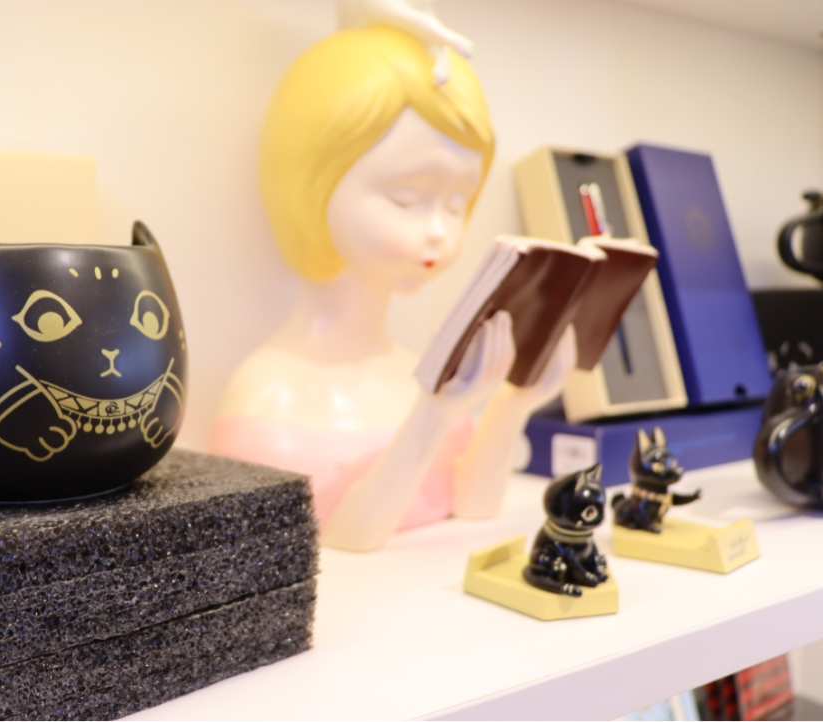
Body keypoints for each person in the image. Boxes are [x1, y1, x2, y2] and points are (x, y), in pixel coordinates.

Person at [209, 25, 574, 551]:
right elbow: (346, 542)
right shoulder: (268, 394)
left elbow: (473, 508)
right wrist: (433, 411)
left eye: (457, 203)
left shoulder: (419, 372)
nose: (440, 230)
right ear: (310, 182)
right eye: (406, 197)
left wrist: (513, 404)